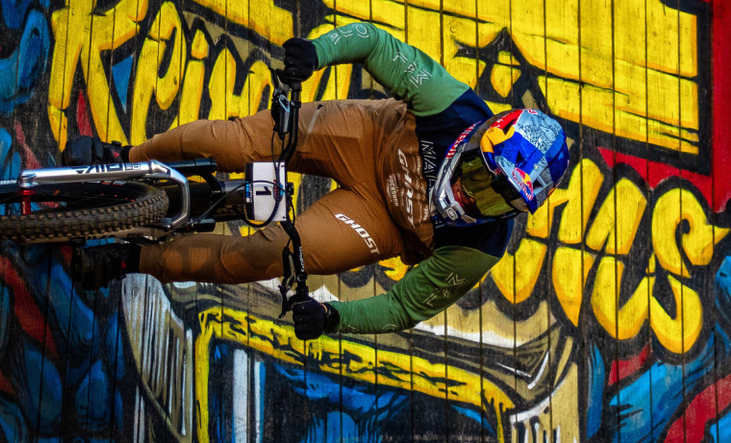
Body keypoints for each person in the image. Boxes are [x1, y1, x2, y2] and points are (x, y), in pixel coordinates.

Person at [68, 23, 571, 340]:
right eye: (479, 175)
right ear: (481, 137)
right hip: (366, 138)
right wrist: (318, 52)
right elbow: (375, 44)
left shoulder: (479, 248)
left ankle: (127, 260)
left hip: (382, 221)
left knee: (262, 255)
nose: (470, 196)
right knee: (236, 145)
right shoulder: (451, 106)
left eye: (494, 201)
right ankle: (123, 158)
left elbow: (403, 307)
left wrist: (335, 319)